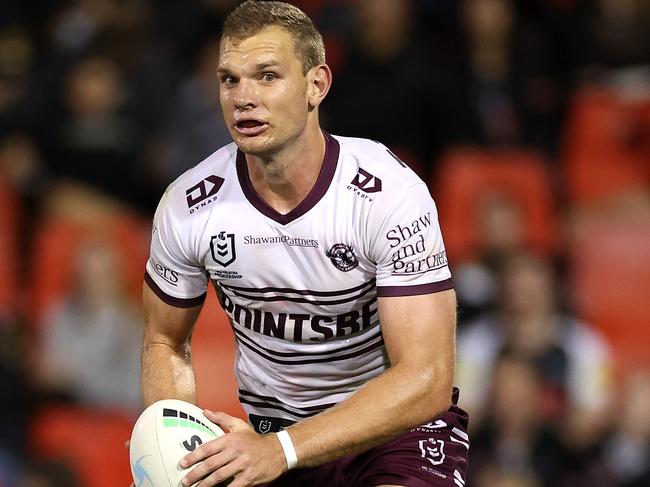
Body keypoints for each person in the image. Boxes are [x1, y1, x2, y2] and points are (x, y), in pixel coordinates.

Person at [140, 2, 468, 486]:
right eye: (229, 79)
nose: (242, 98)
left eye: (267, 76)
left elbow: (427, 377)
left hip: (396, 434)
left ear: (316, 85)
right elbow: (164, 339)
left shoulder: (389, 195)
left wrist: (282, 450)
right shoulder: (188, 205)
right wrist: (168, 437)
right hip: (271, 436)